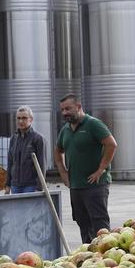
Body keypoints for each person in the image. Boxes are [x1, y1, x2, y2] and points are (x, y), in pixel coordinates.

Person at [54, 95, 117, 244]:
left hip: (95, 185)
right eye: (62, 110)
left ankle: (104, 255)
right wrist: (63, 172)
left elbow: (111, 144)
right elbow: (57, 151)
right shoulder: (66, 129)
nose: (64, 113)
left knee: (99, 224)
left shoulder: (93, 124)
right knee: (82, 221)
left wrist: (101, 169)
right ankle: (88, 254)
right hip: (76, 185)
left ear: (78, 106)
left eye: (68, 108)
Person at [4, 106, 47, 194]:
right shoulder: (13, 139)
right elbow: (10, 163)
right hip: (15, 186)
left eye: (24, 118)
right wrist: (8, 185)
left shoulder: (38, 139)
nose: (20, 121)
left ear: (31, 119)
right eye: (18, 118)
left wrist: (39, 188)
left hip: (31, 186)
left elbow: (42, 165)